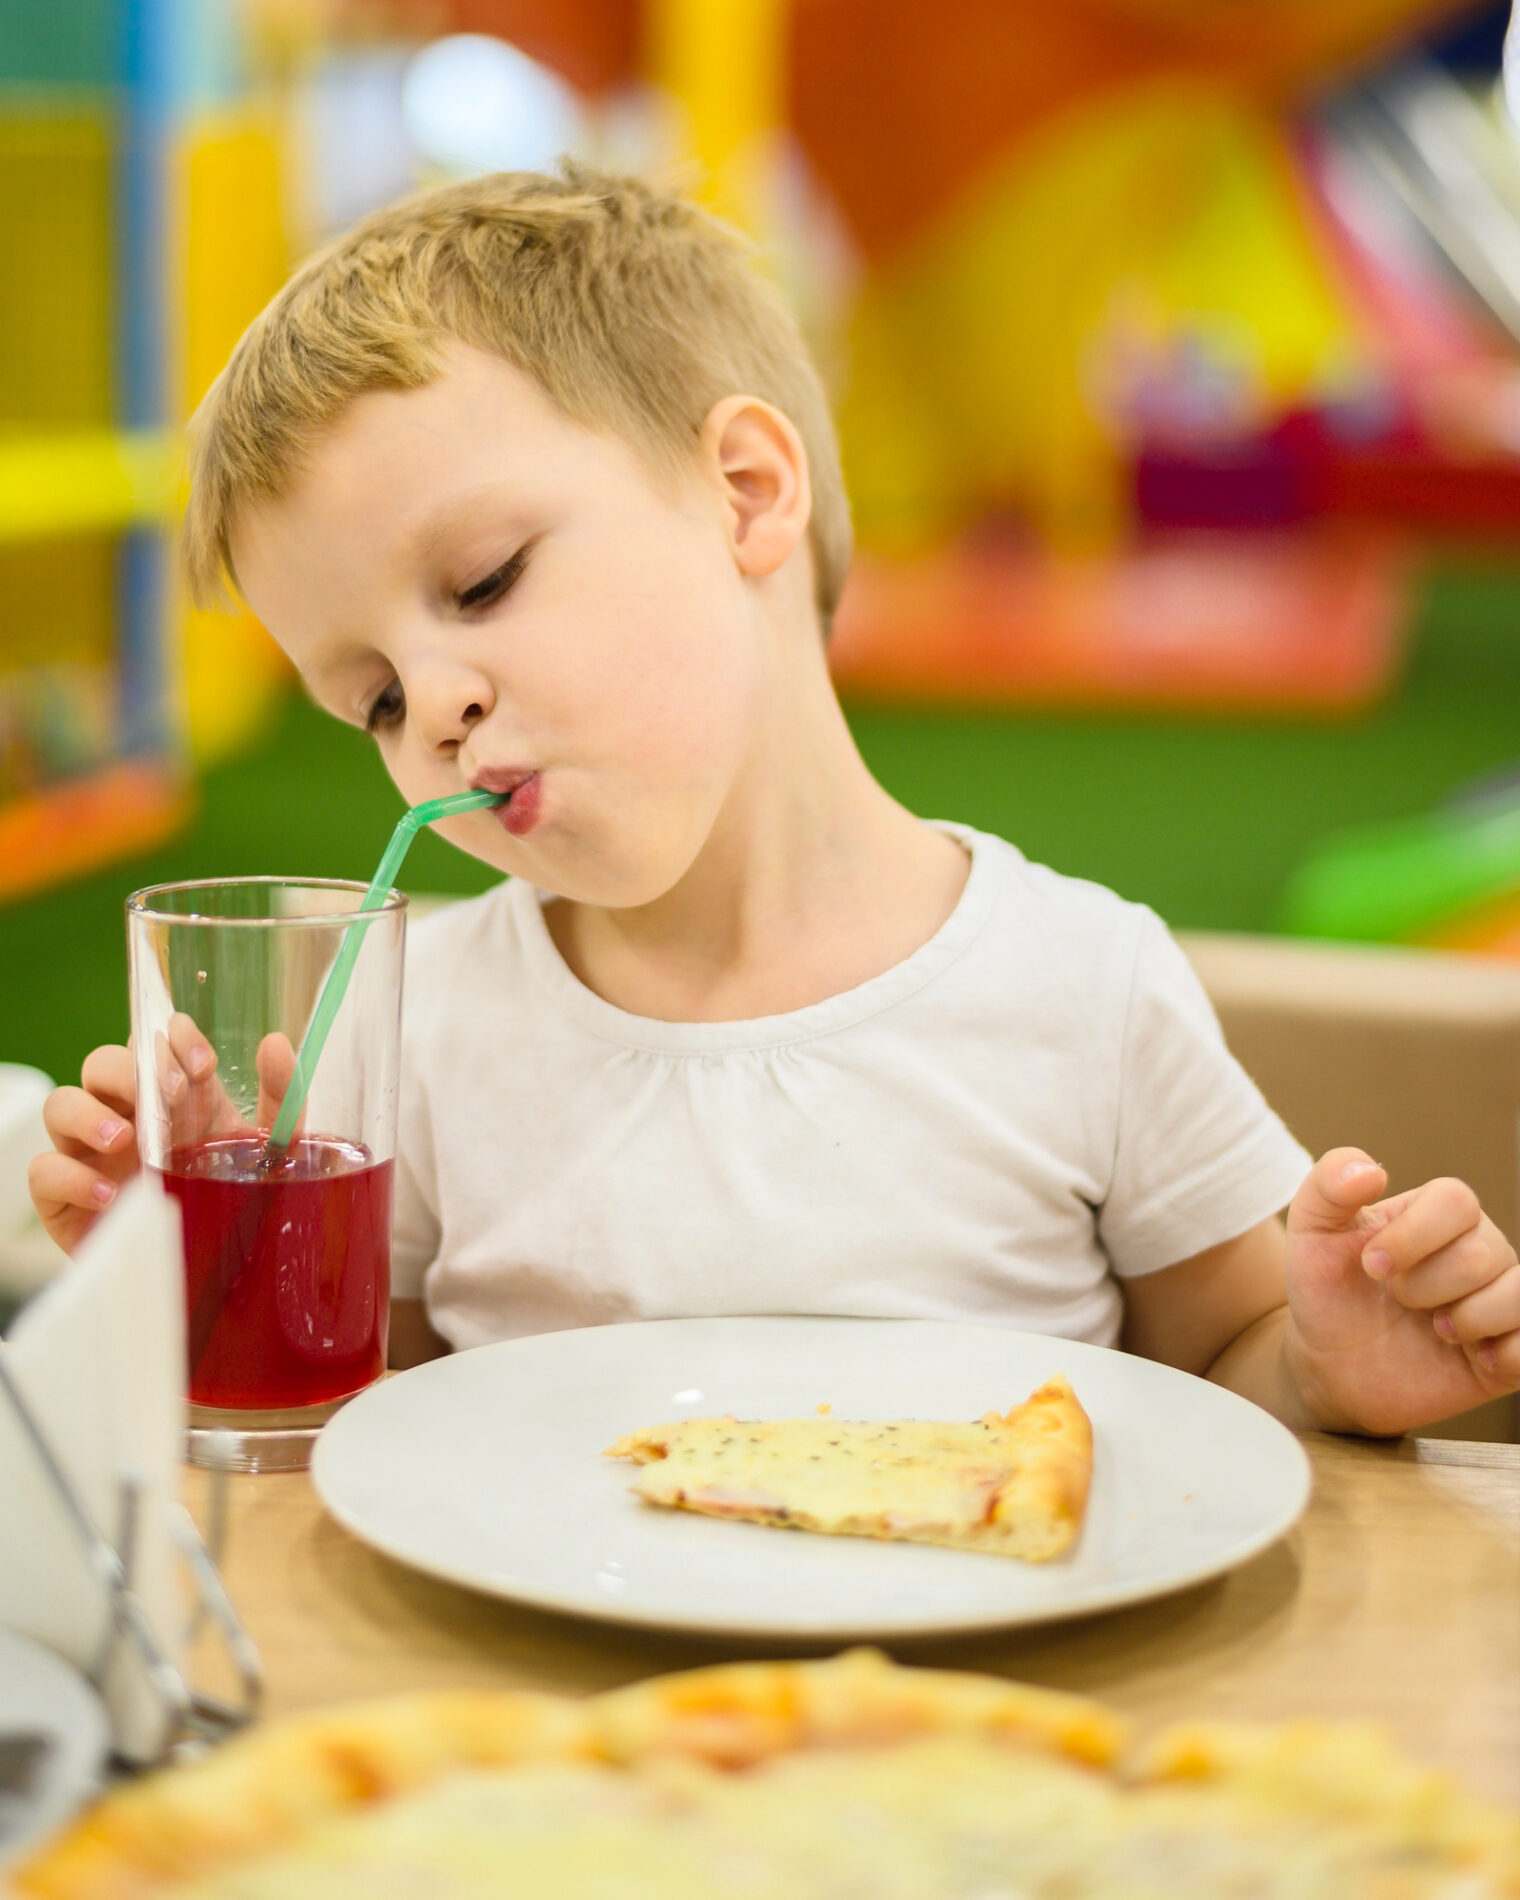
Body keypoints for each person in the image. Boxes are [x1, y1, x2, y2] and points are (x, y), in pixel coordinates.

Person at [29, 165, 1520, 1436]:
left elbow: (1218, 1370)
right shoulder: (407, 1021)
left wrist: (1323, 1367)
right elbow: (393, 1417)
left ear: (747, 490)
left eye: (483, 582)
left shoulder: (1086, 986)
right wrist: (229, 1282)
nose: (432, 712)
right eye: (368, 698)